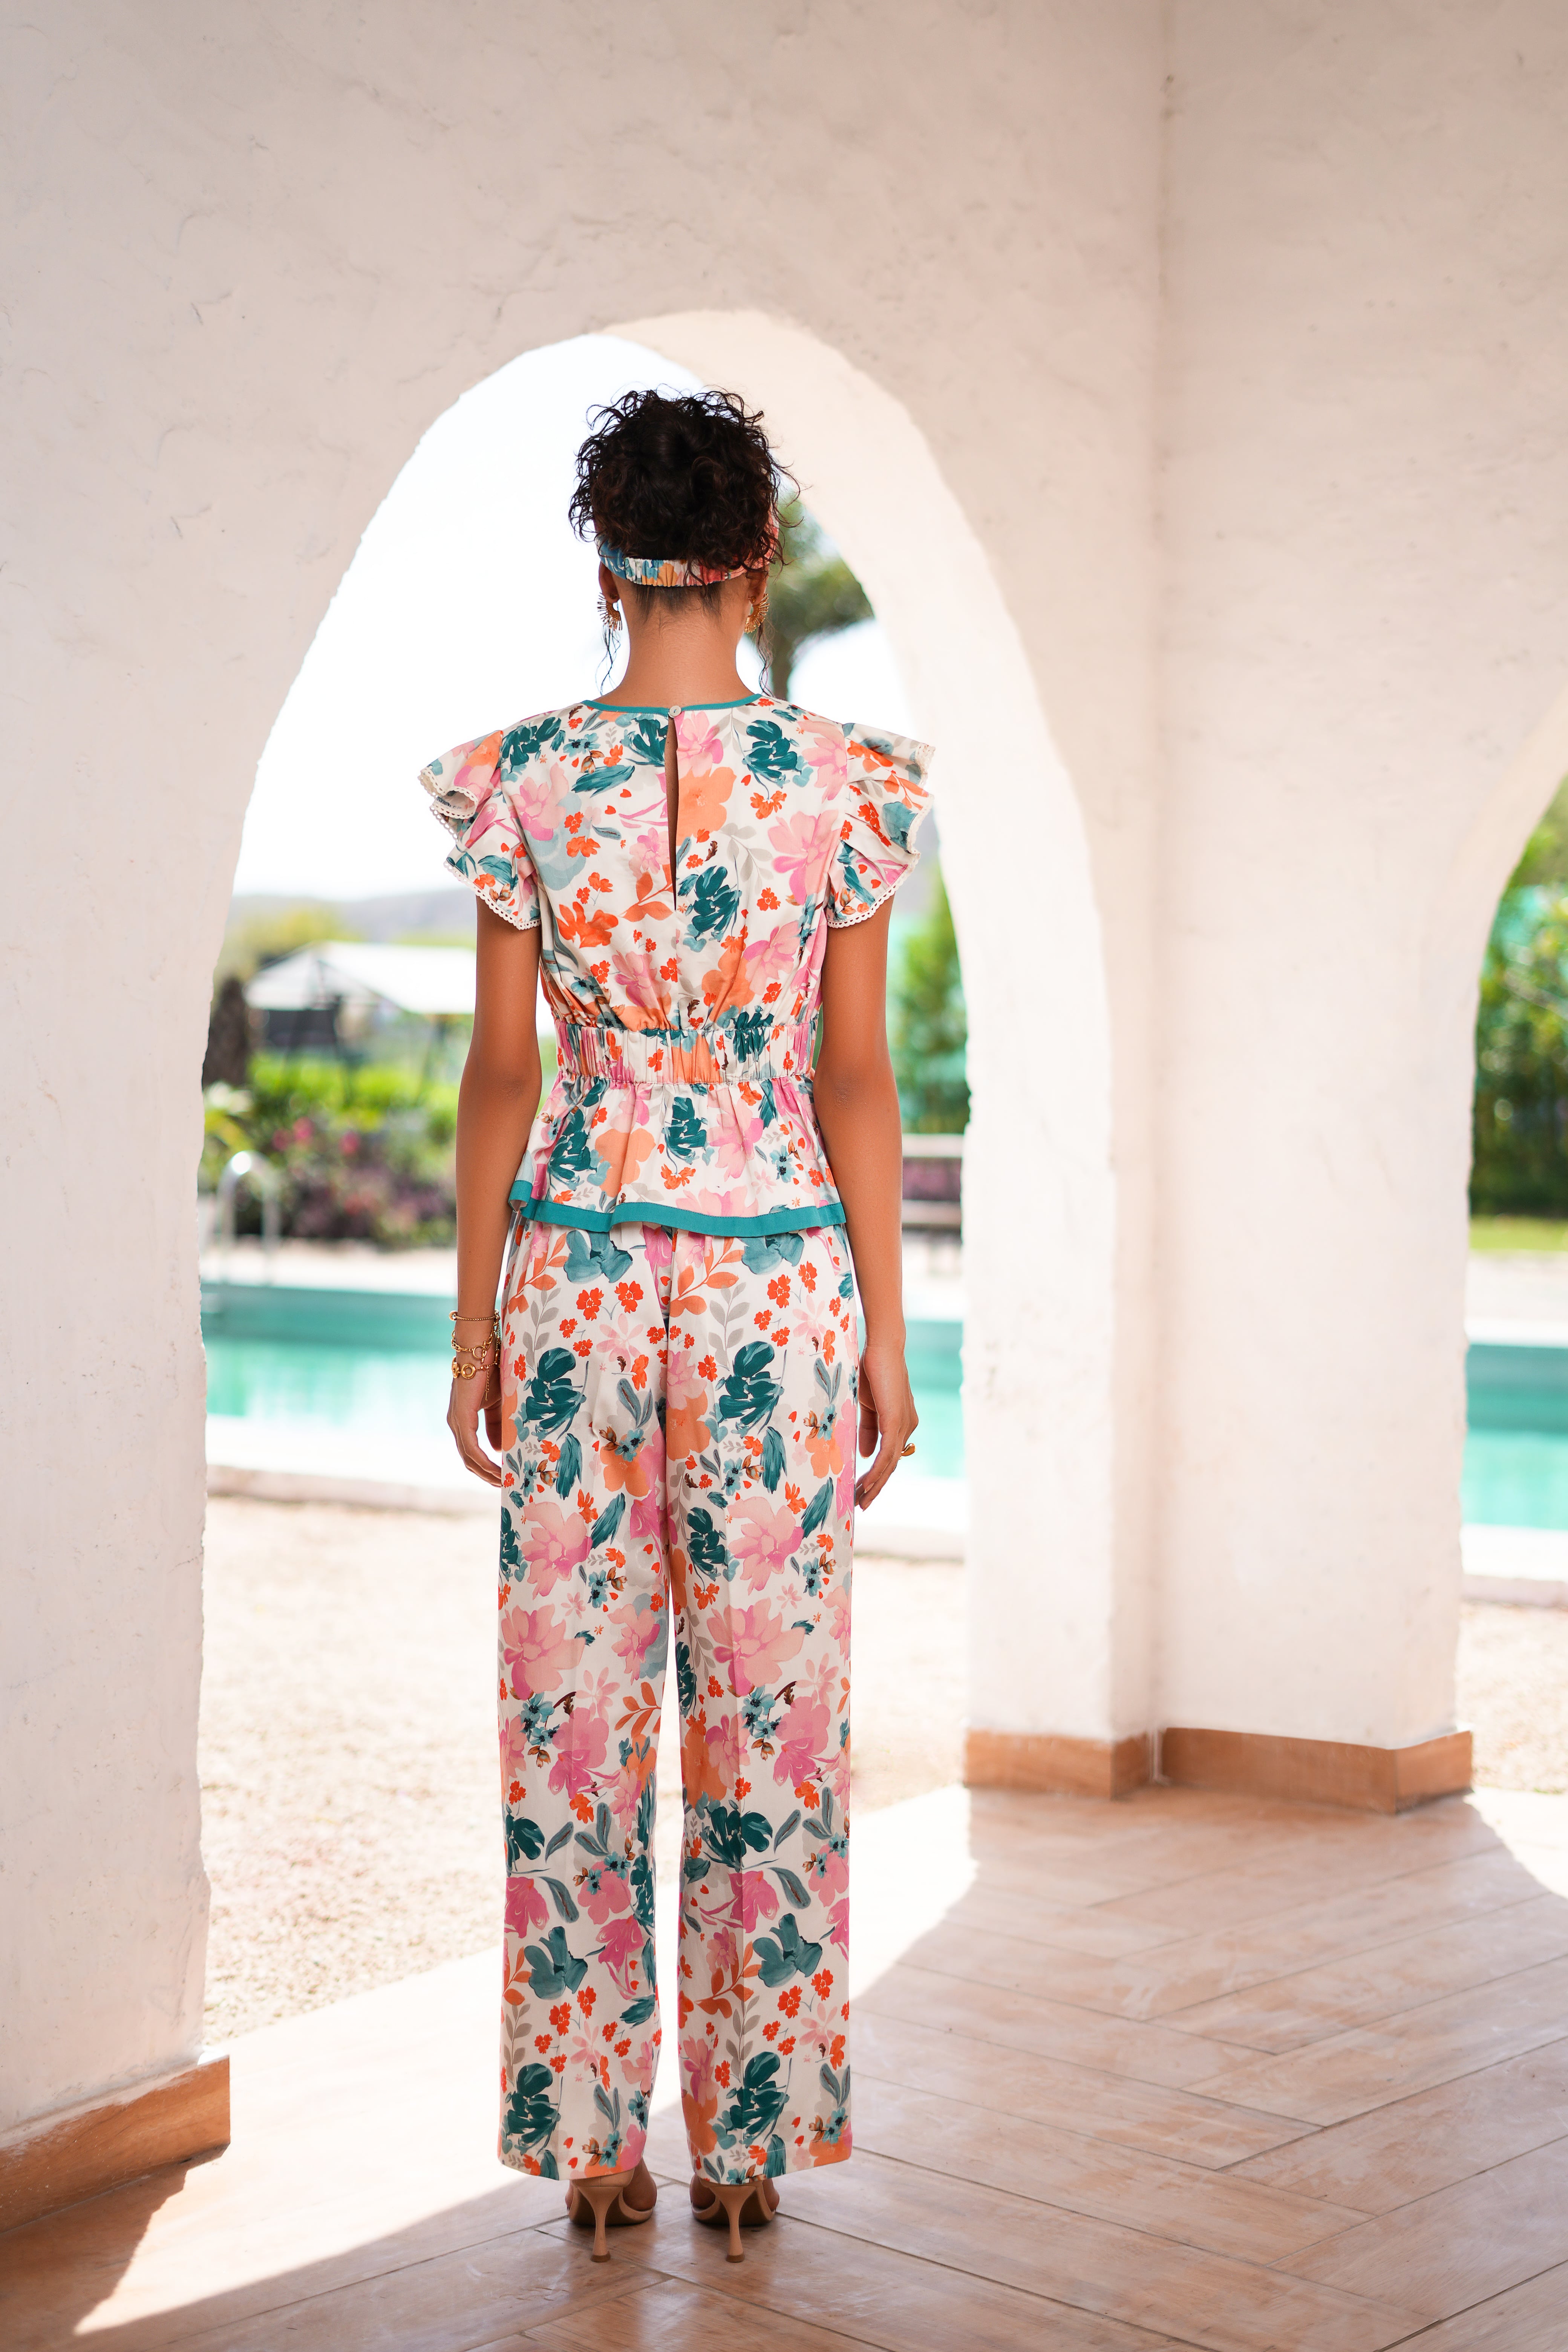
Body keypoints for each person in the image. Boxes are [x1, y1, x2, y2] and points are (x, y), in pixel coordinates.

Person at [421, 387, 931, 2265]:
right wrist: (887, 1341)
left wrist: (475, 1326)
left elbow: (501, 1075)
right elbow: (854, 1077)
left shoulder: (519, 781)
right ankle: (749, 2144)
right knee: (769, 1713)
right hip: (778, 1279)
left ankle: (590, 2144)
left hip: (573, 1275)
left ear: (606, 561)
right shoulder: (845, 783)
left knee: (571, 1710)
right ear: (757, 557)